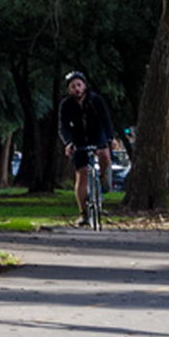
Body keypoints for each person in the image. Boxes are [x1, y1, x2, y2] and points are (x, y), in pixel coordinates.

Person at [56, 70, 115, 227]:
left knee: (104, 155)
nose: (76, 88)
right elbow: (63, 127)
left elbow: (106, 120)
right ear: (69, 89)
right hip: (78, 139)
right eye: (73, 86)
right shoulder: (66, 105)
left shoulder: (96, 100)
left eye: (79, 85)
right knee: (81, 175)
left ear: (84, 86)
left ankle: (103, 177)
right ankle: (83, 214)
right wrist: (68, 143)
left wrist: (110, 138)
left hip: (97, 135)